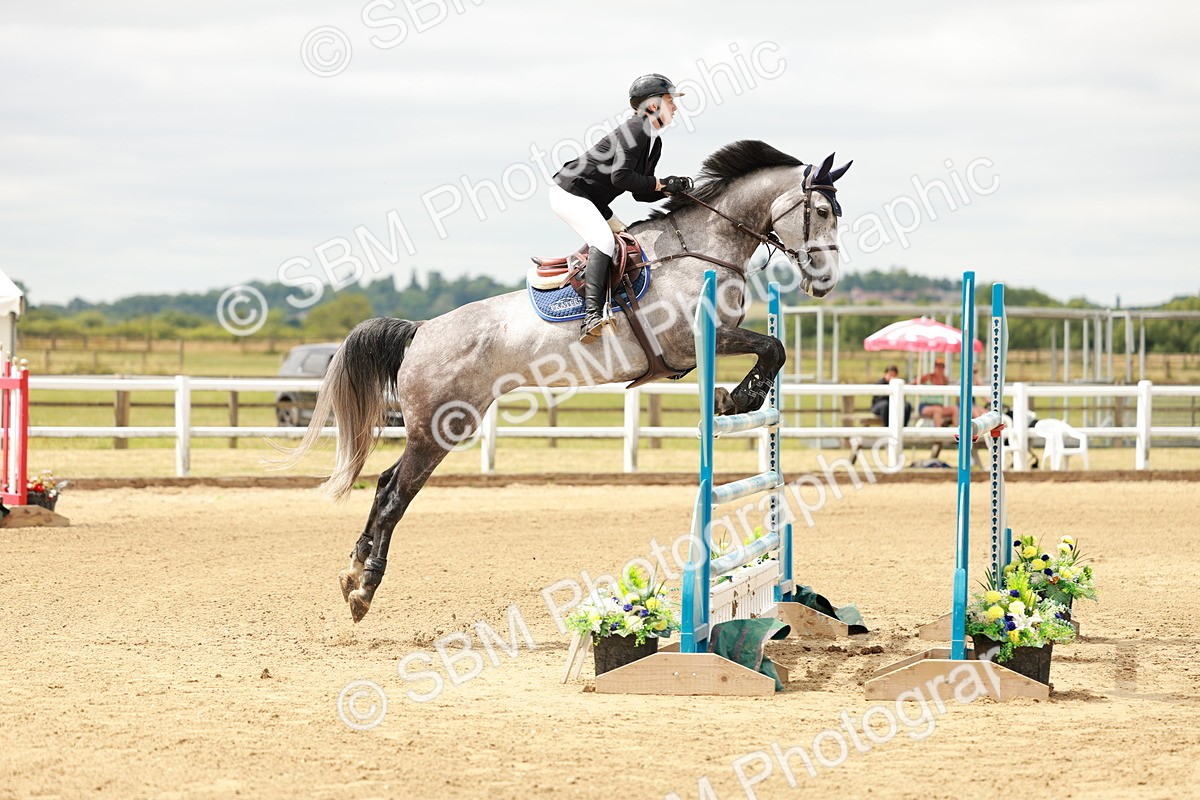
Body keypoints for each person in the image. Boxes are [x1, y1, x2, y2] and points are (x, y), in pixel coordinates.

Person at [549, 74, 693, 343]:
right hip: (570, 192)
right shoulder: (636, 130)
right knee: (603, 240)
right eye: (669, 100)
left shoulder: (654, 140)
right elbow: (621, 178)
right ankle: (592, 315)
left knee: (630, 241)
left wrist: (671, 189)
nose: (674, 107)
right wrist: (662, 183)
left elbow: (640, 192)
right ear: (652, 105)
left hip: (593, 200)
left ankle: (621, 306)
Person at [917, 359, 959, 427]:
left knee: (955, 409)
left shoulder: (944, 380)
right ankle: (939, 431)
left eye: (942, 367)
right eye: (938, 366)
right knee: (937, 410)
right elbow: (915, 382)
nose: (940, 369)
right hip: (925, 406)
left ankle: (957, 432)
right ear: (935, 367)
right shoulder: (928, 377)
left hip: (939, 406)